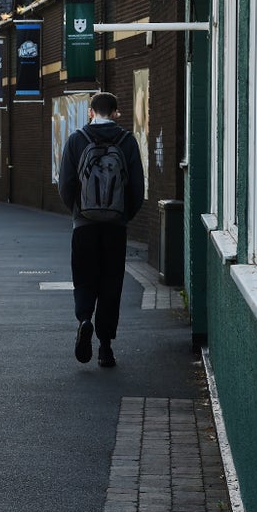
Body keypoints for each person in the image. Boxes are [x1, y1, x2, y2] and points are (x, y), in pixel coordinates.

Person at [58, 92, 145, 368]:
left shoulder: (76, 140)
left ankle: (85, 319)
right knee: (111, 283)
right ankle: (105, 347)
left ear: (91, 112)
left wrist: (77, 211)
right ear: (116, 112)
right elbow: (137, 189)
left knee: (84, 278)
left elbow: (66, 185)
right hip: (115, 228)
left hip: (84, 225)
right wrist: (122, 215)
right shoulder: (127, 141)